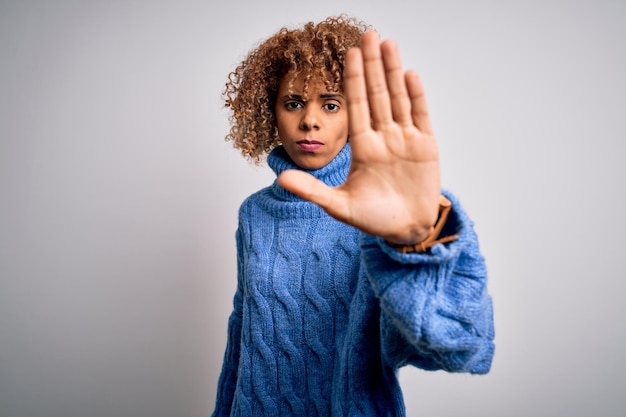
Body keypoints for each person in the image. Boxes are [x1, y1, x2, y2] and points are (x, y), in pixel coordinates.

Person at [212, 15, 494, 417]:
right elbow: (243, 332)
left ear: (354, 116)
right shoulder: (255, 213)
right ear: (269, 111)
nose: (310, 120)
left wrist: (420, 236)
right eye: (293, 103)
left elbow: (457, 345)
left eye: (330, 104)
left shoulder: (381, 215)